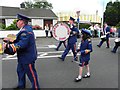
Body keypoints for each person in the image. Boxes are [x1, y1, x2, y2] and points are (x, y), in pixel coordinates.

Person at [4, 13, 40, 89]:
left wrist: (9, 47)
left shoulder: (26, 31)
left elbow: (21, 44)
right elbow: (17, 37)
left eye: (17, 21)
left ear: (22, 21)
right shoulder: (24, 30)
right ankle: (21, 85)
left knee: (31, 74)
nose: (16, 22)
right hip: (22, 57)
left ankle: (36, 87)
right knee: (20, 72)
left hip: (27, 58)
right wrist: (9, 39)